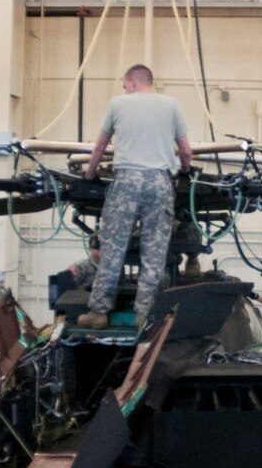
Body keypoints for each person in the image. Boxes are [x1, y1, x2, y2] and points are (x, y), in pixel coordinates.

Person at [77, 65, 192, 330]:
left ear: (132, 81)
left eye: (125, 84)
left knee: (112, 248)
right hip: (159, 182)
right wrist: (184, 172)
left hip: (127, 182)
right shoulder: (171, 105)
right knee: (154, 253)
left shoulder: (117, 104)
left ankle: (98, 313)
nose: (124, 89)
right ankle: (143, 315)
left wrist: (89, 174)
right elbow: (185, 151)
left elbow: (99, 147)